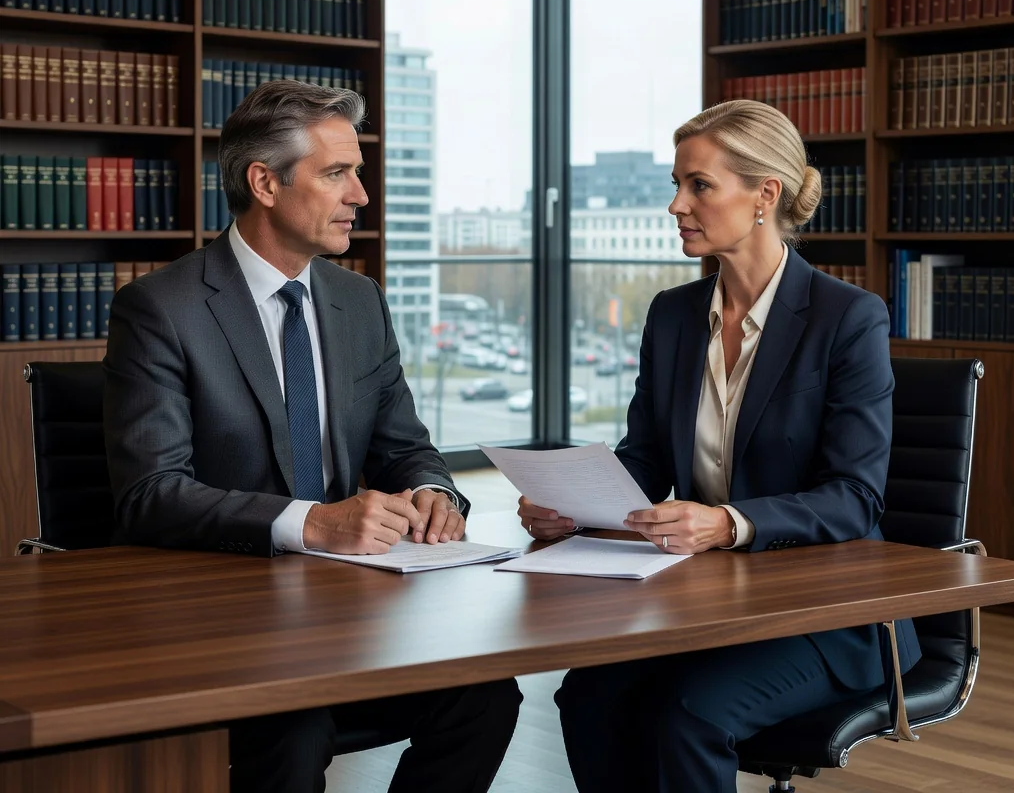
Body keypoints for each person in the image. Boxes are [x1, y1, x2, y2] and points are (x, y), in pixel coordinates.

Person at [104, 80, 521, 793]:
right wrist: (315, 523)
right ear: (264, 182)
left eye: (356, 173)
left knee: (485, 694)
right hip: (221, 620)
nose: (360, 195)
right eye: (337, 174)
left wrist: (433, 491)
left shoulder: (358, 301)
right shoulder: (161, 309)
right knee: (290, 735)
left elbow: (405, 445)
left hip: (349, 610)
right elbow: (150, 493)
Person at [518, 99, 920, 793]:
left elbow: (855, 498)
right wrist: (575, 506)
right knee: (588, 695)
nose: (677, 204)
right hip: (702, 602)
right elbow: (644, 457)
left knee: (689, 714)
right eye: (676, 185)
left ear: (765, 194)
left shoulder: (847, 318)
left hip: (825, 613)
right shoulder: (673, 315)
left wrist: (725, 523)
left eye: (698, 185)